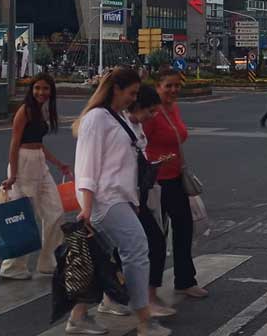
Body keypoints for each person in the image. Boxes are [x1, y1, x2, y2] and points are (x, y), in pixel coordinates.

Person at [69, 68, 171, 336]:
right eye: (131, 93)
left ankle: (78, 317)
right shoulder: (96, 119)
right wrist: (87, 209)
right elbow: (87, 167)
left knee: (99, 260)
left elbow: (124, 164)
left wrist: (133, 200)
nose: (133, 99)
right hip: (103, 200)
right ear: (116, 89)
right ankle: (144, 320)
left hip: (119, 199)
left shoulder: (118, 117)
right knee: (137, 250)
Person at [145, 70, 209, 299]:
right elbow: (140, 145)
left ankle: (184, 280)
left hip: (175, 178)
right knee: (156, 238)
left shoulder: (174, 108)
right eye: (168, 86)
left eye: (176, 86)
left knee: (184, 228)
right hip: (156, 182)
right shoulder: (151, 113)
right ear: (157, 86)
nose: (173, 91)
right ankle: (149, 288)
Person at [0, 73, 69, 280]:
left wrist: (59, 164)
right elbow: (15, 143)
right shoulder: (25, 110)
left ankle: (49, 261)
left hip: (39, 161)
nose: (41, 92)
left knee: (55, 211)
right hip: (23, 163)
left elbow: (38, 143)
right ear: (31, 90)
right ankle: (13, 267)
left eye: (45, 88)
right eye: (37, 88)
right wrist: (13, 175)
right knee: (22, 216)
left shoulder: (41, 110)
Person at [125, 84, 178, 320]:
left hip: (137, 196)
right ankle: (146, 299)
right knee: (153, 244)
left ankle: (114, 298)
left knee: (121, 252)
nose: (152, 116)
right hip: (123, 199)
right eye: (150, 111)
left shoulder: (135, 127)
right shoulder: (121, 126)